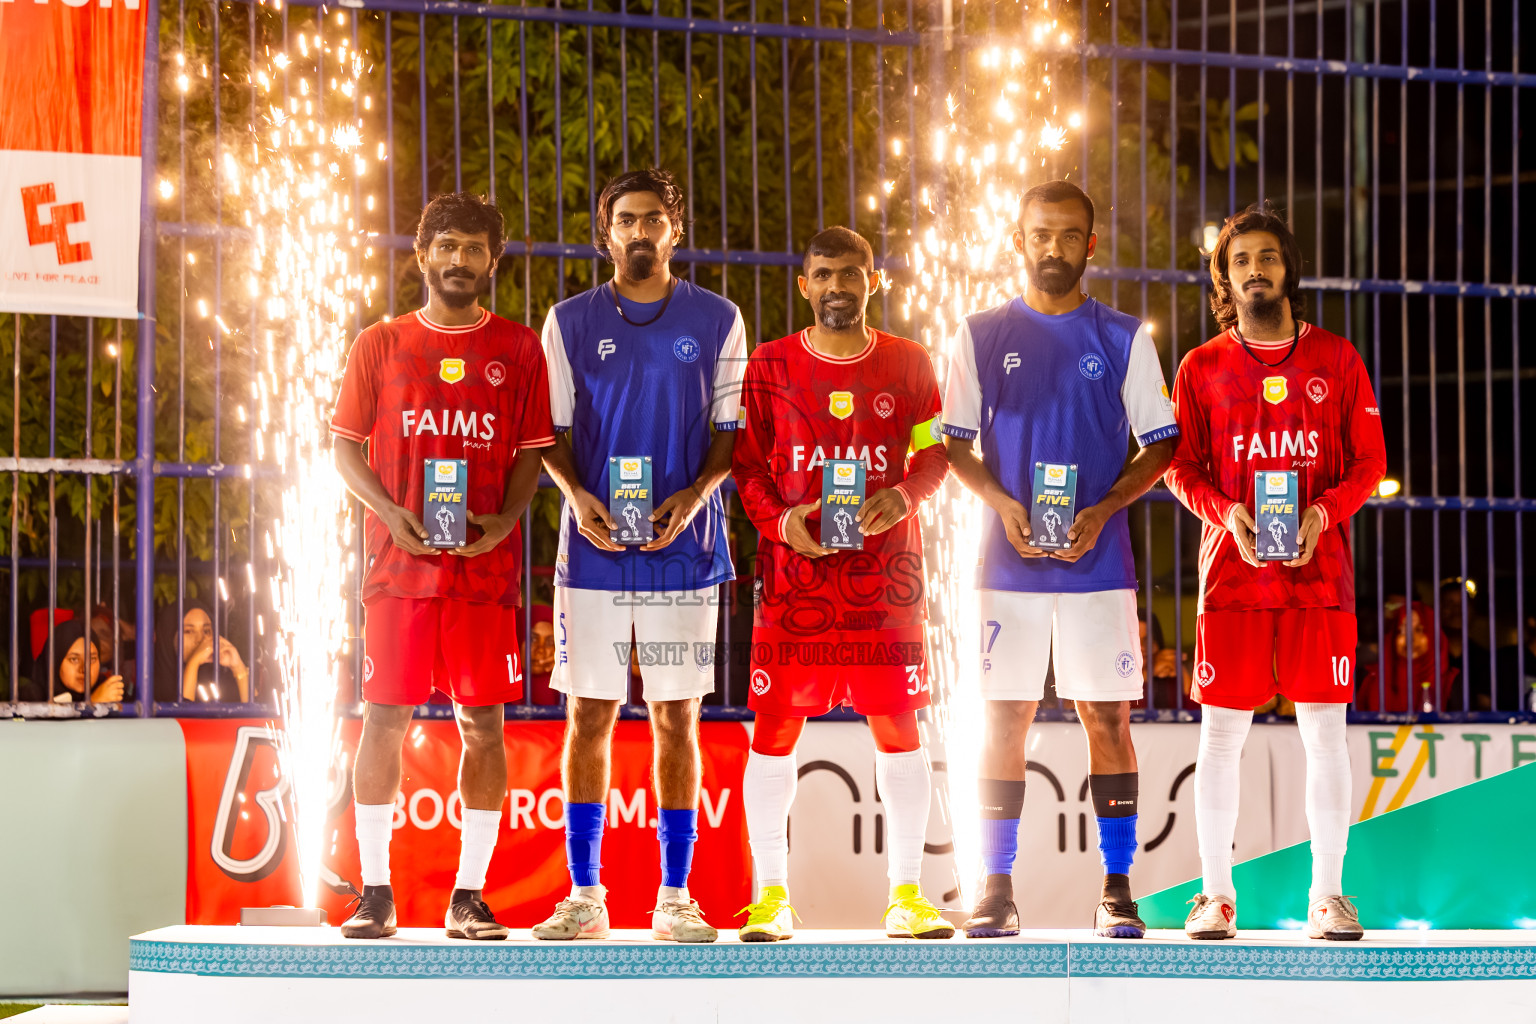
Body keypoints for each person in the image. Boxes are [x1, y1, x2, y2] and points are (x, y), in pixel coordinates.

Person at [942, 180, 1179, 940]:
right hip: (1006, 563)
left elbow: (1163, 445)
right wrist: (1001, 505)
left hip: (1098, 563)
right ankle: (996, 889)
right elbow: (952, 445)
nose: (1054, 248)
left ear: (1090, 245)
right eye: (1040, 234)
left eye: (1069, 235)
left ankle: (1116, 888)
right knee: (1002, 717)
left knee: (1106, 718)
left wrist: (1104, 509)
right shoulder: (979, 333)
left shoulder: (1123, 337)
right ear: (1018, 241)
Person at [330, 192, 555, 941]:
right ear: (423, 255)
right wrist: (390, 513)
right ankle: (375, 893)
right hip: (399, 568)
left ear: (493, 260)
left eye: (473, 249)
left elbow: (531, 455)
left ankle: (469, 895)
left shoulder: (519, 348)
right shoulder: (380, 343)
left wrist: (507, 521)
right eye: (447, 246)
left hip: (482, 573)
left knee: (483, 726)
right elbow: (343, 448)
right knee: (384, 720)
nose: (459, 260)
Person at [1164, 200, 1386, 941]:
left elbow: (1369, 462)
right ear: (1225, 280)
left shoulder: (1337, 359)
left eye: (1266, 256)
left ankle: (1328, 895)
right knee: (1220, 738)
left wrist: (1323, 512)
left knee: (1325, 734)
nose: (1254, 269)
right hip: (1232, 580)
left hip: (1320, 580)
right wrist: (1227, 513)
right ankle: (1215, 896)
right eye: (1240, 261)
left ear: (1288, 268)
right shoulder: (1200, 367)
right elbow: (1179, 468)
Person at [534, 168, 745, 943]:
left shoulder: (719, 318)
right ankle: (585, 895)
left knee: (675, 717)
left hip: (681, 553)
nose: (640, 231)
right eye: (626, 219)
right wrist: (575, 495)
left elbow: (731, 434)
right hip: (594, 553)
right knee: (587, 714)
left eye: (653, 218)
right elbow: (549, 432)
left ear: (674, 230)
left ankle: (675, 896)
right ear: (607, 233)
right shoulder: (568, 321)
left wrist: (693, 497)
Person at [731, 227, 951, 941]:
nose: (837, 286)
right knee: (775, 729)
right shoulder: (769, 364)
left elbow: (935, 455)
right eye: (823, 274)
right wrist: (781, 522)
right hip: (795, 578)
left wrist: (906, 496)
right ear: (804, 285)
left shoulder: (910, 362)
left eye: (850, 274)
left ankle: (907, 896)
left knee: (898, 728)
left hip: (884, 580)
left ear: (872, 281)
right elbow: (747, 467)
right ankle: (770, 897)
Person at [1358, 601, 1457, 712]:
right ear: (1393, 637)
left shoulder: (1453, 683)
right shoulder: (1371, 680)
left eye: (1419, 630)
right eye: (1402, 631)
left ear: (1434, 637)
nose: (1410, 639)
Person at [153, 603, 250, 703]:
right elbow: (183, 712)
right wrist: (193, 664)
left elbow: (255, 710)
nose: (200, 639)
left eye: (206, 631)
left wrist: (238, 667)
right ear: (168, 636)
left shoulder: (218, 679)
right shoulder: (149, 688)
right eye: (188, 631)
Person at [22, 619, 125, 704]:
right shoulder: (29, 698)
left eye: (92, 659)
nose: (84, 669)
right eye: (74, 659)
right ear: (55, 662)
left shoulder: (107, 691)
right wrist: (93, 704)